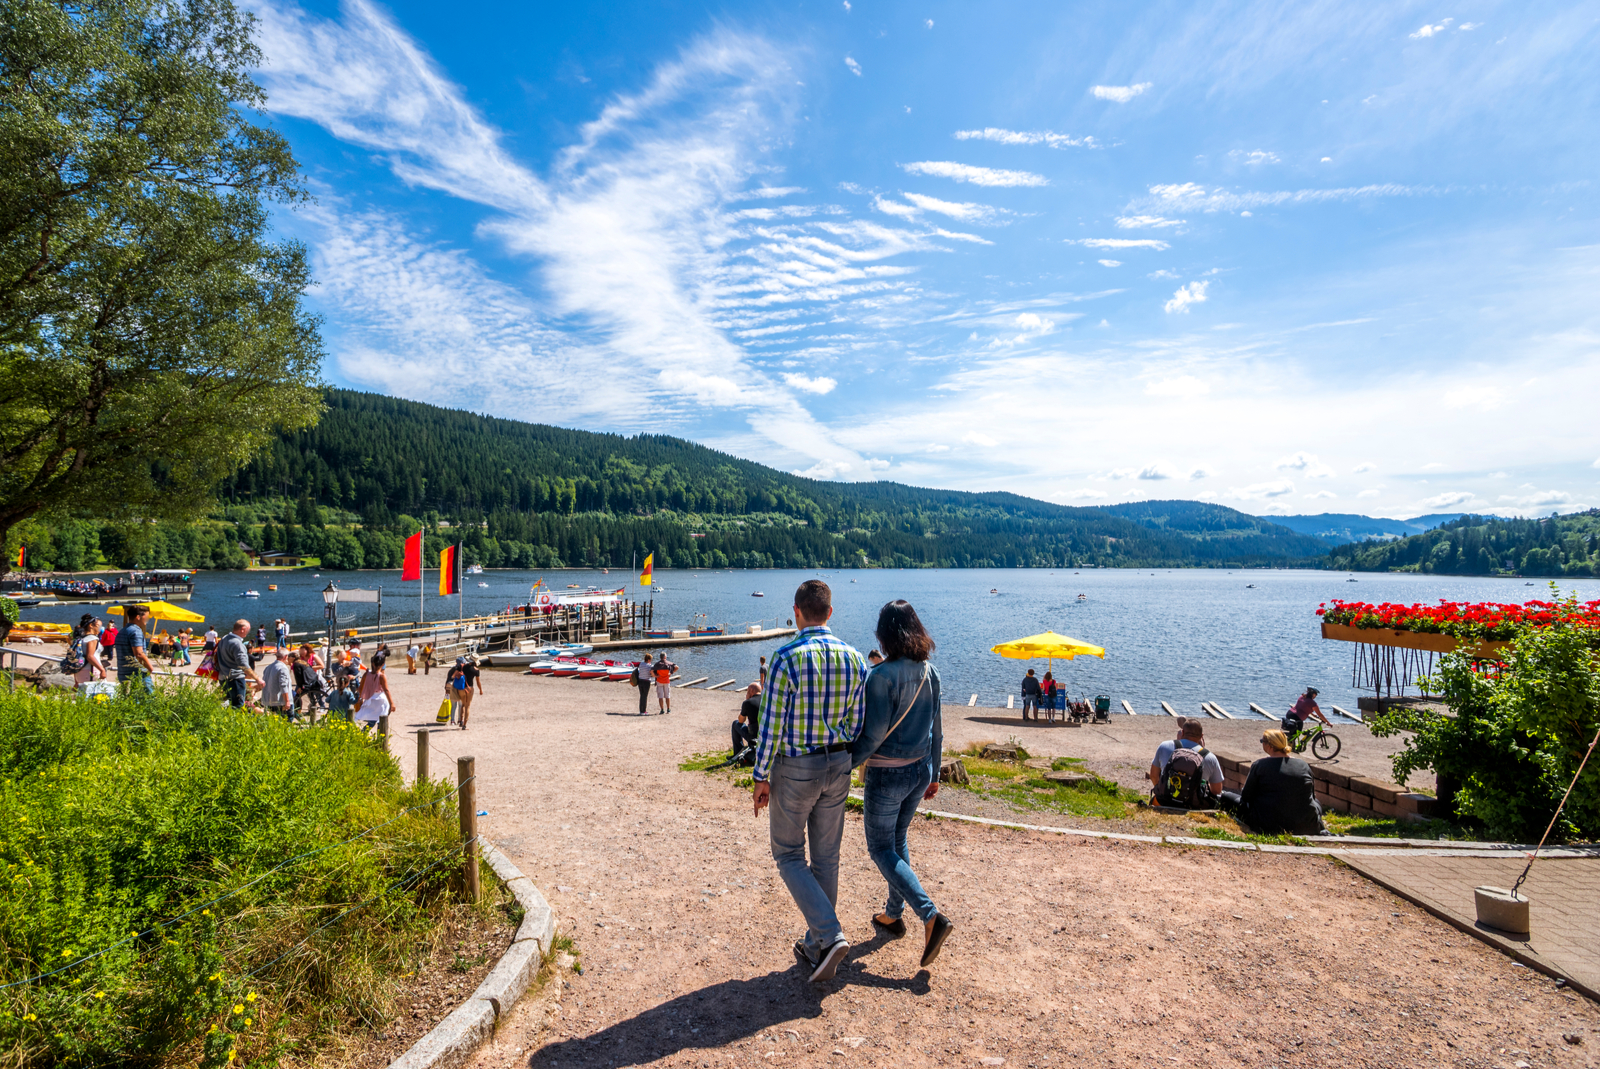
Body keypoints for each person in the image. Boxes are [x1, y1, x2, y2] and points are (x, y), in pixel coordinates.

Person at [751, 579, 868, 984]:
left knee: (787, 854)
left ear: (796, 612)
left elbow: (770, 726)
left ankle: (828, 934)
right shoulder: (856, 660)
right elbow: (858, 722)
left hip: (796, 766)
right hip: (839, 765)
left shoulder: (785, 658)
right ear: (830, 613)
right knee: (827, 858)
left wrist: (760, 775)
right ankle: (819, 943)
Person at [851, 600, 954, 968]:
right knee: (897, 841)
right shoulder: (932, 672)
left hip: (889, 774)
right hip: (921, 769)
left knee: (880, 848)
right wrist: (936, 772)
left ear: (886, 634)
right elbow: (937, 732)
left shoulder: (880, 677)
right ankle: (893, 914)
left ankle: (930, 916)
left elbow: (873, 736)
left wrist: (844, 764)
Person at [1220, 729, 1327, 835]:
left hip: (1268, 823)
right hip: (1305, 824)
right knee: (1316, 802)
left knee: (1227, 796)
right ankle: (1318, 826)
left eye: (1262, 741)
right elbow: (1312, 796)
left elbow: (1246, 797)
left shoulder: (1260, 765)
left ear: (1269, 746)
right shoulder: (1303, 765)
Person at [1149, 719, 1225, 808]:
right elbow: (1217, 790)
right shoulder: (1210, 757)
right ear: (1201, 736)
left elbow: (1153, 775)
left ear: (1182, 732)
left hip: (1164, 801)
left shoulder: (1164, 746)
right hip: (1193, 807)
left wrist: (1161, 790)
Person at [215, 619, 262, 708]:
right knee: (238, 706)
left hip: (223, 677)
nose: (248, 632)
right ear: (242, 629)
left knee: (230, 704)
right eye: (248, 629)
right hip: (235, 679)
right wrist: (257, 678)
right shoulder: (237, 644)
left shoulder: (224, 639)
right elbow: (243, 665)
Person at [113, 605, 156, 695]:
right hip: (137, 673)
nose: (148, 619)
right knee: (149, 701)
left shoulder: (122, 631)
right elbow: (139, 653)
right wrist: (149, 668)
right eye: (147, 616)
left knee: (129, 702)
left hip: (123, 673)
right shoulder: (136, 631)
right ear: (138, 617)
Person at [354, 650, 395, 731]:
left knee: (372, 721)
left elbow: (360, 688)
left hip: (370, 698)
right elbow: (386, 690)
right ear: (383, 665)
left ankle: (362, 734)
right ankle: (381, 738)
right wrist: (392, 703)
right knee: (382, 720)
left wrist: (359, 699)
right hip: (380, 699)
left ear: (372, 663)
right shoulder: (382, 676)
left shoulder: (366, 674)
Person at [261, 648, 296, 722]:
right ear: (286, 657)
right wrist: (287, 701)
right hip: (280, 701)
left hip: (269, 700)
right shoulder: (283, 668)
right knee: (287, 721)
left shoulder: (268, 667)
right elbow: (283, 685)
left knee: (272, 722)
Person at [70, 616, 107, 684]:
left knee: (83, 693)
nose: (100, 629)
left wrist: (76, 682)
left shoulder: (81, 638)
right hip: (91, 671)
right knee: (96, 693)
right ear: (91, 626)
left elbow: (77, 657)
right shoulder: (92, 638)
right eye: (98, 626)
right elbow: (90, 656)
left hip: (80, 671)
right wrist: (102, 670)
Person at [289, 650, 323, 719]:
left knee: (296, 697)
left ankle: (297, 714)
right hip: (314, 681)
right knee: (312, 698)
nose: (287, 660)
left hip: (307, 683)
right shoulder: (303, 662)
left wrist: (300, 687)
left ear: (292, 658)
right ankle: (312, 711)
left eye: (288, 658)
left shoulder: (296, 664)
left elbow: (298, 677)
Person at [732, 682, 762, 756]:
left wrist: (746, 701)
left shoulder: (748, 703)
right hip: (765, 734)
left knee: (735, 724)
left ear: (751, 691)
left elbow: (741, 721)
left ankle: (738, 752)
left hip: (754, 736)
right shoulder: (766, 700)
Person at [458, 655, 482, 727]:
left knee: (463, 705)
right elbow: (478, 682)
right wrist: (480, 690)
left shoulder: (463, 667)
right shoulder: (476, 670)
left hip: (462, 687)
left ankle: (461, 721)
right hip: (469, 688)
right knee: (468, 706)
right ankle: (465, 725)